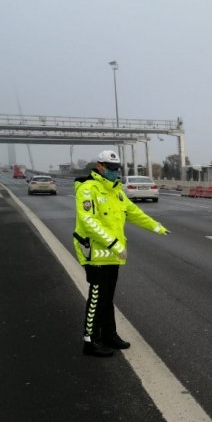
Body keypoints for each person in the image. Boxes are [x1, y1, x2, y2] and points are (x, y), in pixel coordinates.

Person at [73, 150, 170, 357]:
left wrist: (156, 227)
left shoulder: (116, 191)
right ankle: (90, 340)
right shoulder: (88, 189)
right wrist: (115, 244)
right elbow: (88, 222)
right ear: (100, 166)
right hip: (95, 254)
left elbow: (133, 212)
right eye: (111, 168)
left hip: (112, 256)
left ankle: (109, 334)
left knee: (108, 297)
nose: (114, 172)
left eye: (117, 169)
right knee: (96, 297)